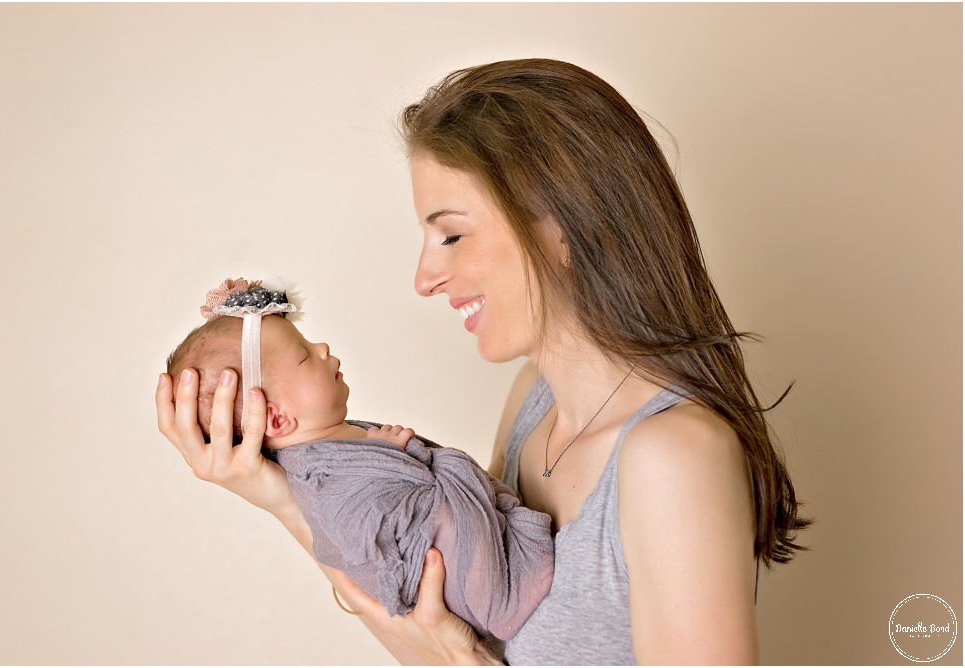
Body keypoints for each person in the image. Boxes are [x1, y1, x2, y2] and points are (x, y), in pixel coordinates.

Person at [156, 58, 811, 665]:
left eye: (452, 235)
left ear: (560, 229)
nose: (424, 277)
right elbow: (447, 631)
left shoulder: (673, 456)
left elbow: (462, 659)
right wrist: (279, 495)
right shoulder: (535, 401)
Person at [164, 278, 554, 640]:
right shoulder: (321, 481)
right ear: (277, 418)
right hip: (479, 588)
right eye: (304, 356)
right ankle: (513, 580)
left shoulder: (336, 441)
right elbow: (377, 539)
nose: (323, 350)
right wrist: (405, 456)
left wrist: (393, 455)